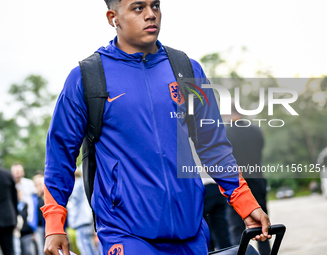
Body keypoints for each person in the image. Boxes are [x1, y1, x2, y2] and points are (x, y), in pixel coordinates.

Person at [41, 1, 272, 255]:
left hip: (191, 230)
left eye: (155, 6)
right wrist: (54, 225)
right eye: (138, 8)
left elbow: (213, 145)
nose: (151, 15)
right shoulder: (86, 78)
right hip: (126, 233)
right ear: (113, 17)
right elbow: (60, 154)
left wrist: (246, 204)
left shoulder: (187, 69)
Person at [224, 104, 271, 255]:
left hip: (237, 184)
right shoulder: (255, 130)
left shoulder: (225, 133)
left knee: (236, 228)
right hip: (257, 180)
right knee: (262, 225)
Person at [67, 169, 99, 255]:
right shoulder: (85, 183)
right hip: (87, 220)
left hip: (82, 220)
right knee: (91, 246)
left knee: (85, 247)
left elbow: (73, 205)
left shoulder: (78, 185)